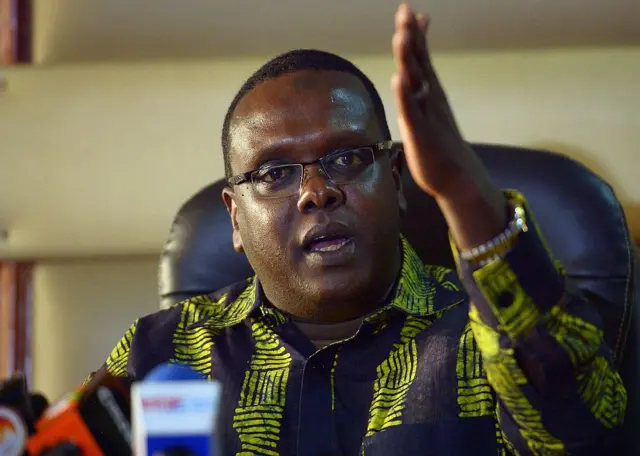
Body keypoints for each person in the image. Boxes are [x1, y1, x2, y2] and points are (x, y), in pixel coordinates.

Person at [99, 4, 626, 455]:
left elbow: (583, 434)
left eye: (347, 157)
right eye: (275, 173)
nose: (316, 191)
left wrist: (465, 192)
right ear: (235, 217)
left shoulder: (486, 331)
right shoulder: (163, 351)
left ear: (396, 180)